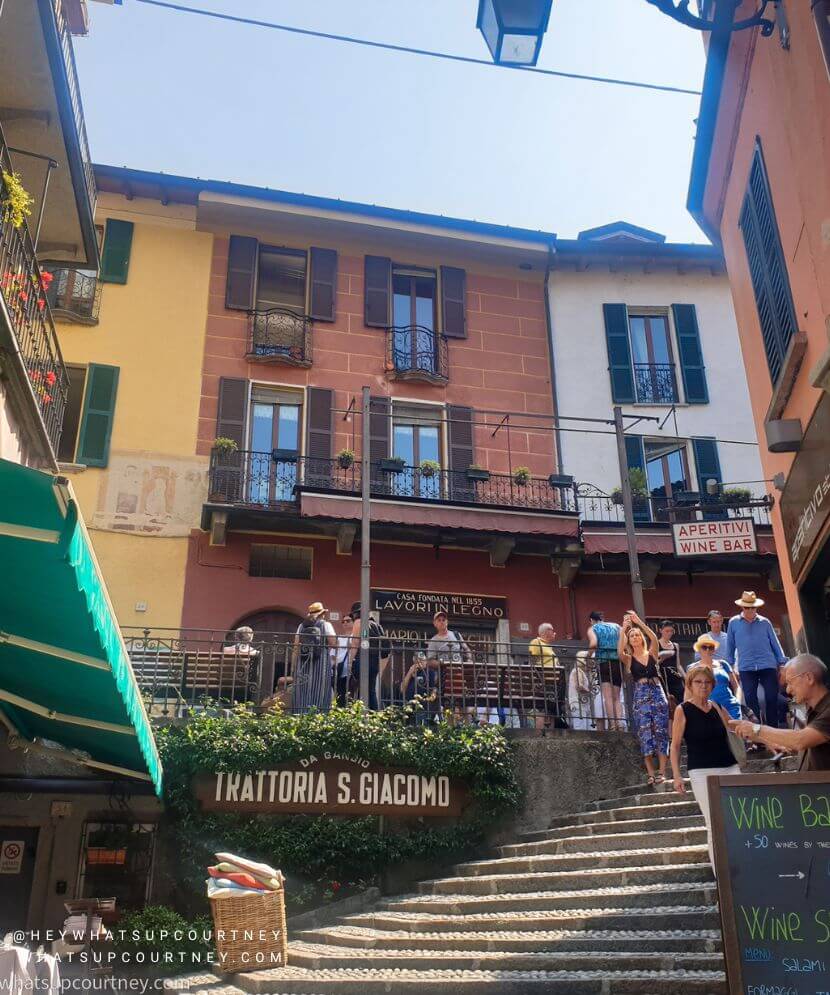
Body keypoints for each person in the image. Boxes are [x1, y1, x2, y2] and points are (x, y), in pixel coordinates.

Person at [670, 664, 741, 870]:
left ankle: (741, 863)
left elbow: (736, 727)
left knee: (738, 817)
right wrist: (676, 775)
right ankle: (721, 873)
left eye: (707, 682)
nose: (703, 686)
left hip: (729, 767)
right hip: (701, 771)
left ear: (713, 685)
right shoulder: (682, 710)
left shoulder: (717, 706)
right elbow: (675, 746)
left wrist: (767, 737)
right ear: (690, 685)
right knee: (714, 822)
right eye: (698, 682)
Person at [731, 654, 830, 771]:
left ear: (809, 678)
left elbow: (800, 740)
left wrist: (756, 729)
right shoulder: (814, 709)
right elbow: (810, 745)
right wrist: (777, 741)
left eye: (790, 682)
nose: (788, 689)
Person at [617, 611, 669, 784]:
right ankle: (651, 774)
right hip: (641, 696)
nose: (635, 637)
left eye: (637, 635)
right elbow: (619, 651)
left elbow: (653, 638)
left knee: (661, 731)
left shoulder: (652, 653)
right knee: (645, 733)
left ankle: (662, 772)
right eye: (632, 636)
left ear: (641, 638)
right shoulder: (629, 659)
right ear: (629, 640)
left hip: (657, 692)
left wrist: (639, 622)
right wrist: (624, 629)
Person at [725, 591, 787, 728]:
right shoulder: (733, 623)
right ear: (742, 607)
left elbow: (775, 644)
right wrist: (730, 667)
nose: (750, 610)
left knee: (772, 698)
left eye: (752, 607)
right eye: (747, 607)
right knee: (750, 700)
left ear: (756, 607)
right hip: (746, 667)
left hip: (767, 665)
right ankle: (757, 732)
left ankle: (773, 730)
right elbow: (730, 646)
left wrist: (782, 664)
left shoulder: (765, 622)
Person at [291, 602, 336, 713]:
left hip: (304, 660)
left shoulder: (301, 626)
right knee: (320, 687)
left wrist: (293, 665)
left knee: (302, 687)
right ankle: (319, 714)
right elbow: (333, 643)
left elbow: (296, 645)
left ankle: (300, 713)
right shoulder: (326, 625)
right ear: (322, 614)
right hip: (321, 660)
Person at [587, 610, 624, 731]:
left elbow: (593, 644)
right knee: (617, 697)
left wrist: (588, 657)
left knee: (608, 697)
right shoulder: (616, 626)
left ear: (591, 620)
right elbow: (624, 642)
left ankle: (612, 724)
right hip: (617, 662)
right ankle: (620, 723)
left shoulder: (593, 628)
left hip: (603, 662)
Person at [348, 602, 388, 711]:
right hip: (374, 662)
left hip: (362, 660)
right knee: (371, 691)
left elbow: (355, 643)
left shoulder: (358, 622)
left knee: (358, 690)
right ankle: (374, 716)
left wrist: (350, 662)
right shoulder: (377, 625)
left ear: (356, 613)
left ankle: (359, 715)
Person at [528, 623, 568, 729]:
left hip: (553, 682)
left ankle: (551, 734)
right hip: (544, 681)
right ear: (546, 632)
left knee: (551, 710)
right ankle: (540, 735)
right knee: (542, 709)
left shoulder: (548, 646)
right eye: (552, 630)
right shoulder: (536, 642)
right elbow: (532, 661)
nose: (555, 633)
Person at [691, 634, 741, 720]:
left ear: (714, 650)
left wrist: (738, 701)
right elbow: (689, 692)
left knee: (736, 729)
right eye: (704, 647)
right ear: (699, 650)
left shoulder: (723, 664)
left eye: (710, 647)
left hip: (731, 707)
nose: (707, 650)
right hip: (707, 710)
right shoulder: (693, 668)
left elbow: (736, 686)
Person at [401, 651, 441, 724]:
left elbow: (433, 688)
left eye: (422, 660)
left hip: (423, 705)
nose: (420, 663)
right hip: (409, 705)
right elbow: (402, 689)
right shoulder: (412, 672)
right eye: (417, 661)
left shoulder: (430, 672)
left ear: (426, 661)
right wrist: (410, 672)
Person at [657, 620, 685, 708]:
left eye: (671, 631)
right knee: (666, 703)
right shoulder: (656, 644)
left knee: (681, 701)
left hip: (675, 676)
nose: (669, 633)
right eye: (667, 631)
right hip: (663, 676)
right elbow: (654, 663)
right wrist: (663, 657)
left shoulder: (675, 645)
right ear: (660, 630)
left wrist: (686, 678)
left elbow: (678, 665)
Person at [334, 613, 353, 706]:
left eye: (348, 621)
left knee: (352, 696)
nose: (345, 623)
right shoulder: (339, 638)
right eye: (343, 621)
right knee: (340, 695)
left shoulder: (356, 637)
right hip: (340, 671)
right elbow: (333, 654)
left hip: (352, 671)